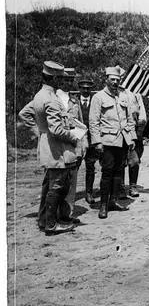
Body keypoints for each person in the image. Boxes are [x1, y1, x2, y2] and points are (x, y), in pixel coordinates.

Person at [17, 61, 80, 235]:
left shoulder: (39, 95)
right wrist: (73, 136)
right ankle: (51, 225)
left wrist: (40, 132)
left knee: (49, 185)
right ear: (52, 78)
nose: (61, 81)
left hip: (48, 145)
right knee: (58, 186)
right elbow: (56, 129)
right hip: (57, 148)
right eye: (59, 78)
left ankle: (44, 220)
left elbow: (25, 114)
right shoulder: (51, 99)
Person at [89, 67, 135, 219]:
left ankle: (113, 201)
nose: (115, 82)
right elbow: (93, 122)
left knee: (119, 172)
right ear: (106, 80)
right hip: (107, 141)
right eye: (112, 80)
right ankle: (103, 204)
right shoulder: (98, 97)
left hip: (123, 140)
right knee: (107, 172)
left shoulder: (123, 96)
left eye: (117, 80)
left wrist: (132, 138)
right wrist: (97, 142)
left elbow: (130, 119)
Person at [56, 67, 88, 224]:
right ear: (58, 79)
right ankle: (53, 215)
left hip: (73, 147)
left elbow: (80, 125)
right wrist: (41, 134)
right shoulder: (51, 99)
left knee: (71, 182)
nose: (67, 82)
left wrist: (83, 146)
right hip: (55, 148)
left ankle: (67, 214)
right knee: (56, 183)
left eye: (70, 80)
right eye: (64, 79)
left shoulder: (74, 101)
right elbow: (27, 115)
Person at [77, 79, 99, 204]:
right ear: (79, 88)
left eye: (88, 88)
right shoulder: (73, 101)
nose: (85, 91)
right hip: (78, 139)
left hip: (92, 139)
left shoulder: (95, 101)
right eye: (83, 88)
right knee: (74, 167)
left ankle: (89, 193)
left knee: (90, 167)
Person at [123, 83, 147, 197]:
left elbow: (142, 114)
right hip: (119, 132)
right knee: (120, 161)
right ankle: (120, 187)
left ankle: (133, 186)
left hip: (134, 131)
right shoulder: (112, 94)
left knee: (134, 161)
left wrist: (138, 132)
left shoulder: (134, 93)